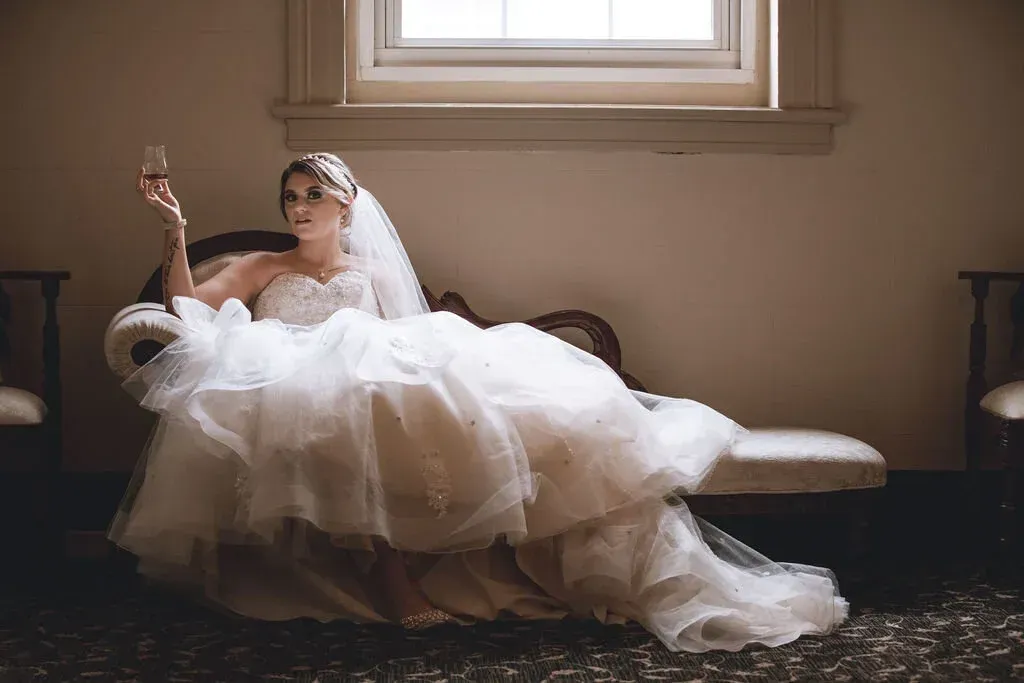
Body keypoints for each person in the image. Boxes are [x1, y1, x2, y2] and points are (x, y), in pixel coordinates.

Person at [110, 152, 848, 652]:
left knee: (433, 390)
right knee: (349, 391)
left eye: (313, 195)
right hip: (290, 379)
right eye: (291, 197)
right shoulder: (262, 264)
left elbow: (405, 335)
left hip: (369, 379)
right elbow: (185, 307)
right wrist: (176, 230)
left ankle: (422, 564)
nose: (299, 207)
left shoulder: (374, 272)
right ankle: (388, 574)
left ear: (346, 204)